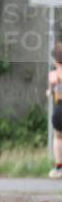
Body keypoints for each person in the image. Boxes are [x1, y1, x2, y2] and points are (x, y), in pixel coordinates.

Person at [46, 42, 62, 179]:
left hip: (60, 108)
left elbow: (50, 91)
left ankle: (59, 167)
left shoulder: (53, 74)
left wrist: (50, 90)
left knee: (58, 137)